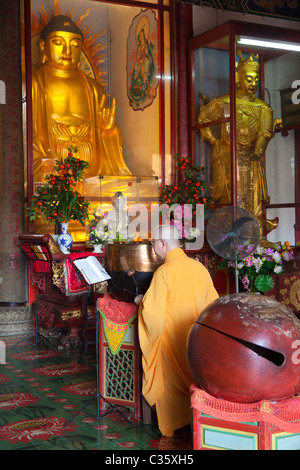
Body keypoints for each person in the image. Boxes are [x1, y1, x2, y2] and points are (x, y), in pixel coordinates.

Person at [135, 224, 218, 437]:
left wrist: (141, 302)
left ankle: (174, 424)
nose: (153, 247)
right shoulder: (199, 267)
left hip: (172, 343)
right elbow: (214, 306)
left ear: (163, 244)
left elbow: (154, 316)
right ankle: (199, 419)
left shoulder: (164, 272)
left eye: (154, 242)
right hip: (197, 344)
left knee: (167, 373)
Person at [32, 15, 131, 183]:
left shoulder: (93, 88)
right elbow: (25, 135)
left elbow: (107, 138)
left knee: (118, 186)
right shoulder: (33, 83)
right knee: (49, 180)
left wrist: (107, 132)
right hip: (51, 165)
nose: (67, 51)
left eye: (75, 44)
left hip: (92, 167)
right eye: (58, 43)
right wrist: (47, 165)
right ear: (43, 46)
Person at [197, 50, 282, 242]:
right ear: (238, 77)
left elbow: (265, 132)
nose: (252, 84)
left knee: (254, 197)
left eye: (255, 80)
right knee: (230, 197)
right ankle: (231, 237)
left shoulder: (263, 108)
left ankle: (256, 234)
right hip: (228, 157)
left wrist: (258, 150)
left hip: (252, 159)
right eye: (249, 79)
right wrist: (214, 141)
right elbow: (202, 118)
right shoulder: (222, 102)